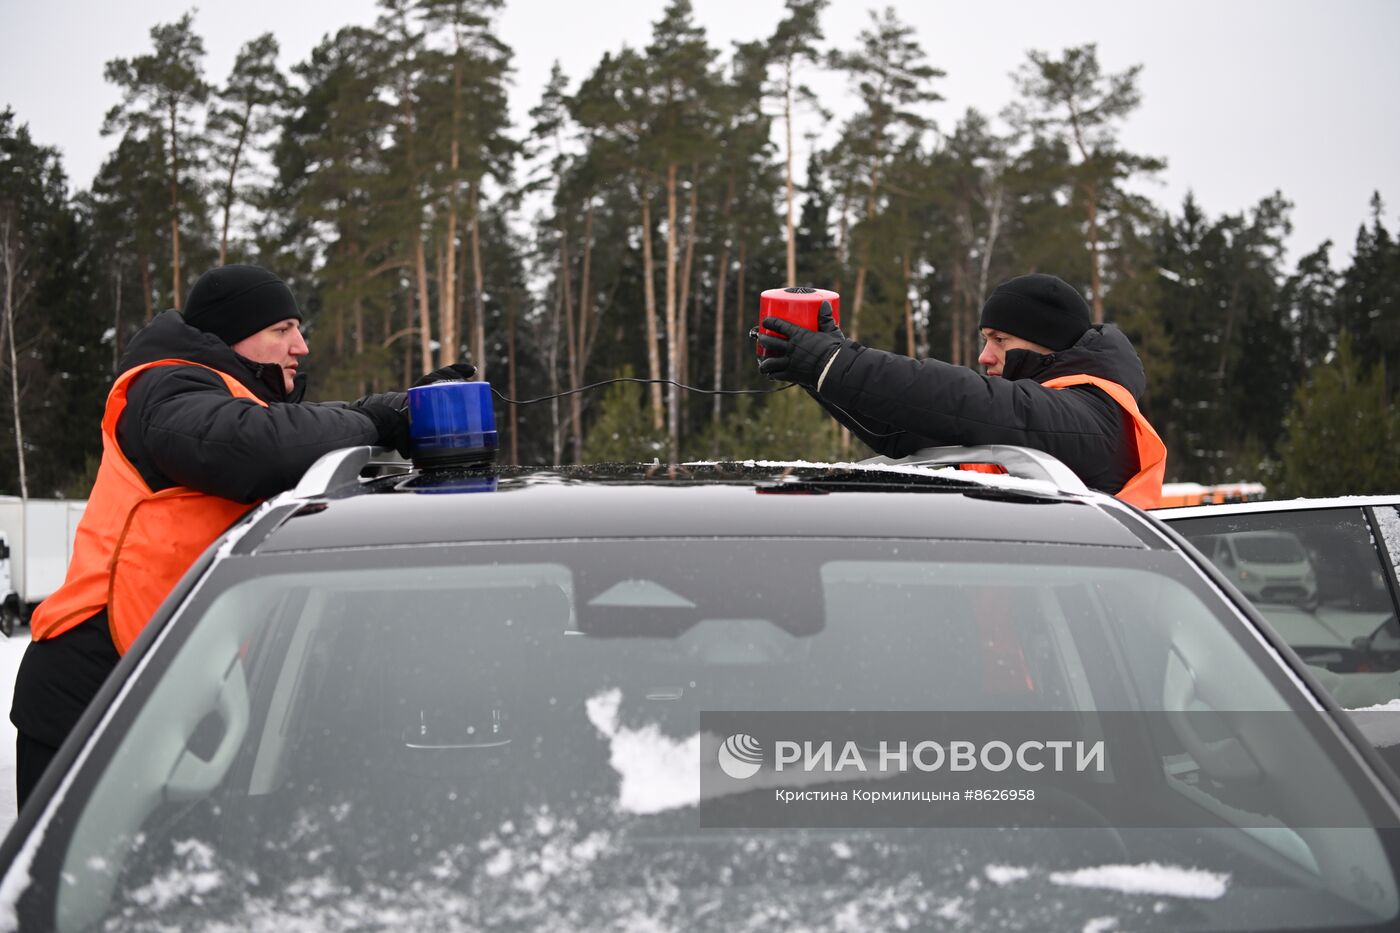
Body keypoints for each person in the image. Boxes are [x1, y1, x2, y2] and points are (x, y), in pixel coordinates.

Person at [9, 263, 469, 808]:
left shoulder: (225, 398)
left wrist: (386, 413)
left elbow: (276, 432)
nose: (300, 345)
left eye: (299, 329)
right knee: (82, 889)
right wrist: (377, 419)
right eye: (281, 331)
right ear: (230, 338)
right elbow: (257, 446)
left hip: (163, 684)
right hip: (90, 686)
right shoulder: (165, 386)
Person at [756, 272, 1165, 506]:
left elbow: (969, 401)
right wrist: (821, 372)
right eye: (985, 339)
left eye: (1000, 340)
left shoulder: (1094, 417)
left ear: (1050, 346)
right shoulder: (1033, 416)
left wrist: (838, 362)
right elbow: (903, 433)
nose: (985, 356)